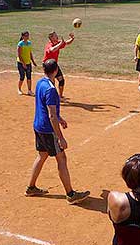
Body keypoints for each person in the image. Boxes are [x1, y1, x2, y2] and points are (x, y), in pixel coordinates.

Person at [25, 59, 90, 204]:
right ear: (56, 70)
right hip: (48, 130)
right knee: (62, 158)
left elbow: (46, 107)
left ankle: (31, 188)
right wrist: (60, 137)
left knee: (42, 156)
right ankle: (71, 194)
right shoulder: (52, 89)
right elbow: (51, 115)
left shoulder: (41, 83)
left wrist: (60, 118)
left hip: (38, 126)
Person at [42, 31, 75, 99]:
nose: (57, 36)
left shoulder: (57, 43)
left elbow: (67, 42)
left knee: (61, 80)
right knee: (51, 82)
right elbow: (52, 50)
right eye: (55, 35)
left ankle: (60, 96)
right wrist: (60, 44)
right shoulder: (49, 45)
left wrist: (72, 39)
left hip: (54, 65)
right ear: (51, 38)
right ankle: (49, 96)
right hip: (47, 65)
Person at [17, 31, 37, 95]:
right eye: (26, 36)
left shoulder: (29, 43)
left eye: (28, 35)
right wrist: (23, 63)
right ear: (22, 36)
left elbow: (30, 53)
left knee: (29, 77)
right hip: (21, 63)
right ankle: (19, 89)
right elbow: (19, 55)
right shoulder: (20, 44)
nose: (27, 37)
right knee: (22, 77)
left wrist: (33, 61)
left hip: (28, 62)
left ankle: (29, 90)